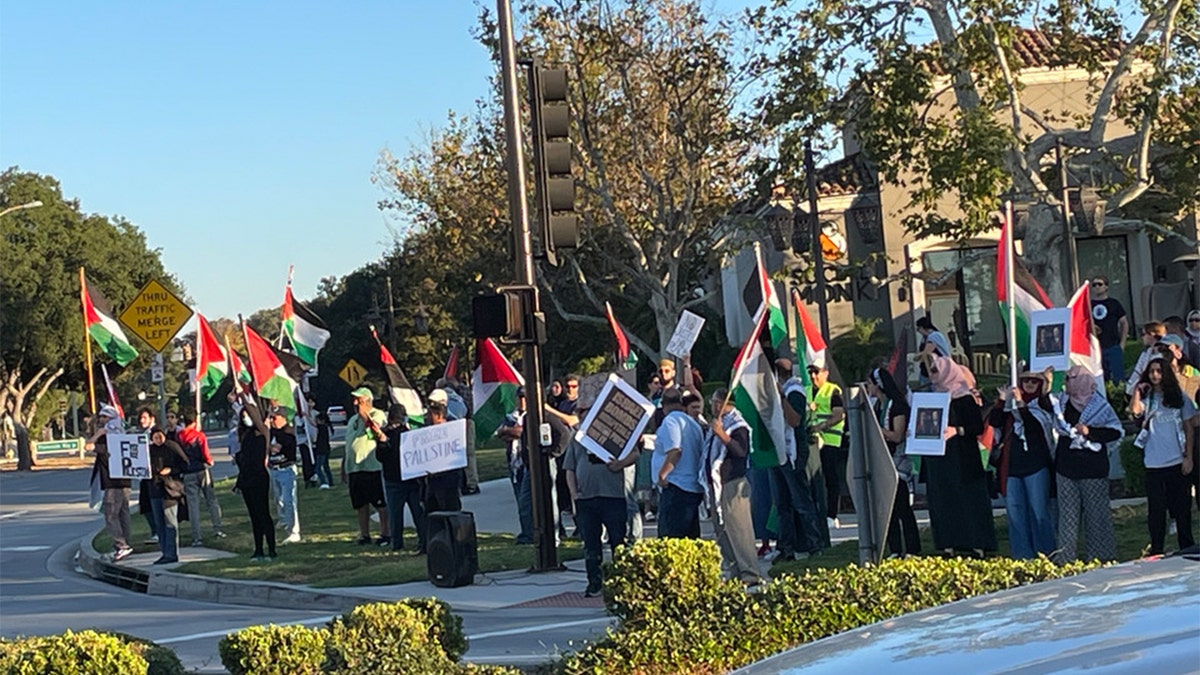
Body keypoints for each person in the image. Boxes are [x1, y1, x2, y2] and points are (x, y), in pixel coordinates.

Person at [922, 355, 996, 556]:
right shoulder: (931, 398)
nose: (933, 375)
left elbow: (977, 426)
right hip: (940, 460)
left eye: (936, 370)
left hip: (963, 458)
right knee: (944, 500)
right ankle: (948, 544)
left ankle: (976, 544)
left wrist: (957, 430)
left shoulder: (964, 398)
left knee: (968, 500)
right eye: (931, 371)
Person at [1054, 365, 1121, 562]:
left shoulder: (1100, 405)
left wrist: (1089, 431)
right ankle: (1065, 558)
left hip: (1093, 468)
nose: (1067, 382)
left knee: (1097, 515)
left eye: (1071, 378)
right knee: (1067, 516)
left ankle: (1101, 556)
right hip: (1066, 468)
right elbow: (1049, 411)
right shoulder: (1062, 403)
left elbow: (1115, 431)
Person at [1129, 356, 1196, 554]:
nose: (1155, 375)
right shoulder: (1147, 397)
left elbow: (1189, 428)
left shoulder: (1178, 397)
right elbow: (1134, 411)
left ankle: (1187, 546)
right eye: (1152, 372)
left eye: (1159, 371)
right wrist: (1137, 392)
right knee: (1156, 511)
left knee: (1182, 510)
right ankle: (1156, 549)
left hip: (1176, 461)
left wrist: (1188, 457)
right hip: (1153, 464)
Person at [989, 371, 1056, 560]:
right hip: (1011, 468)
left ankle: (1046, 554)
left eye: (1034, 380)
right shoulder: (1009, 406)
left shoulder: (1043, 404)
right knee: (1016, 514)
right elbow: (995, 422)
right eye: (1025, 380)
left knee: (1038, 512)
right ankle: (1023, 557)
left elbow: (1033, 426)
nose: (1029, 384)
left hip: (1035, 466)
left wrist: (1021, 405)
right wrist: (1003, 401)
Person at [564, 430, 639, 597]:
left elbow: (635, 453)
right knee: (591, 544)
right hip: (586, 498)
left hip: (613, 496)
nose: (581, 414)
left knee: (618, 542)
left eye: (585, 410)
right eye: (580, 411)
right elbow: (570, 468)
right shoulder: (578, 438)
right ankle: (594, 582)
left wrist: (621, 463)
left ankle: (621, 582)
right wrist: (574, 495)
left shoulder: (614, 433)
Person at [704, 388, 764, 584]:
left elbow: (741, 451)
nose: (711, 405)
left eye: (714, 401)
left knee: (739, 530)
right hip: (717, 485)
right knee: (723, 532)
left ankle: (750, 572)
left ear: (722, 403)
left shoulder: (738, 426)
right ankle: (735, 570)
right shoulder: (717, 423)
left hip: (733, 485)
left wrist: (723, 435)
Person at [770, 358, 827, 561]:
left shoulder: (794, 391)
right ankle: (786, 548)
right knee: (782, 503)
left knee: (801, 500)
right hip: (776, 451)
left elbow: (794, 420)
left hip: (793, 450)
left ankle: (814, 544)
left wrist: (781, 397)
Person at [866, 368, 920, 558]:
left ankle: (913, 549)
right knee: (888, 511)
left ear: (879, 385)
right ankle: (895, 549)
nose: (868, 387)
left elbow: (897, 435)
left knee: (903, 508)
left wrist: (879, 430)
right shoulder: (877, 407)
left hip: (898, 463)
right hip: (883, 462)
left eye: (870, 383)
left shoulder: (897, 406)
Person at [652, 387, 706, 538]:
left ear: (663, 405)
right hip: (692, 486)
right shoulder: (693, 424)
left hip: (676, 486)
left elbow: (675, 451)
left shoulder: (671, 422)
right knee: (690, 538)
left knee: (670, 537)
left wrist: (662, 475)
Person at [343, 388, 391, 546]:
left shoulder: (377, 414)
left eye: (359, 399)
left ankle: (385, 533)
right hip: (355, 467)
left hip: (372, 466)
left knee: (380, 504)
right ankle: (365, 534)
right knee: (360, 504)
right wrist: (345, 464)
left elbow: (375, 430)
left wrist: (364, 411)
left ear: (367, 399)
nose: (355, 403)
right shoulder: (352, 420)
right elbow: (349, 442)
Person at [376, 404, 426, 553]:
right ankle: (422, 541)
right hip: (409, 479)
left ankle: (397, 543)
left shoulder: (386, 435)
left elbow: (380, 457)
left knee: (396, 515)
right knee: (417, 514)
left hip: (396, 479)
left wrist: (383, 442)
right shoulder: (407, 434)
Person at [86, 405, 133, 561]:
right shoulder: (122, 437)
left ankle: (121, 545)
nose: (101, 420)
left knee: (111, 514)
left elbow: (89, 445)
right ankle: (126, 543)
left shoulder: (108, 440)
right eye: (101, 417)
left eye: (105, 417)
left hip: (114, 483)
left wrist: (99, 433)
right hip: (125, 481)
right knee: (123, 513)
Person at [233, 402, 276, 561]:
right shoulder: (245, 436)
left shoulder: (262, 432)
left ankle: (271, 549)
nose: (246, 417)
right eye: (243, 415)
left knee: (263, 513)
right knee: (254, 516)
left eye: (248, 415)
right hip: (246, 479)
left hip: (258, 477)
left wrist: (242, 394)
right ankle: (258, 549)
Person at [807, 363, 846, 530]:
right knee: (813, 479)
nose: (813, 376)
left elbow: (839, 415)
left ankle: (832, 515)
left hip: (830, 440)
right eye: (810, 373)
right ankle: (817, 512)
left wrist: (821, 427)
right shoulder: (807, 390)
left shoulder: (833, 391)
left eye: (816, 372)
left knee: (831, 478)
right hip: (812, 441)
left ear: (825, 373)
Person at [178, 414, 225, 547]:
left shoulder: (179, 436)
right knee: (211, 500)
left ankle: (197, 537)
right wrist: (210, 462)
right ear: (194, 421)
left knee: (193, 505)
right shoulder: (199, 436)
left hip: (187, 472)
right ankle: (217, 528)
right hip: (202, 470)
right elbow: (205, 453)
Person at [148, 427, 188, 565]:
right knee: (159, 524)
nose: (158, 440)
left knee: (170, 522)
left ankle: (172, 553)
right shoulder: (149, 450)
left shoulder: (172, 447)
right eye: (155, 437)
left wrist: (171, 470)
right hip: (154, 489)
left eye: (160, 437)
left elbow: (185, 464)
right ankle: (165, 552)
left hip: (170, 490)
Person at [422, 399, 463, 513]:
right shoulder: (426, 433)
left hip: (449, 480)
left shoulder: (452, 431)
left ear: (439, 416)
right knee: (432, 512)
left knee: (450, 511)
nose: (427, 418)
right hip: (432, 480)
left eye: (430, 415)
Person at [268, 409, 301, 544]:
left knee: (288, 500)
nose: (272, 421)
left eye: (274, 418)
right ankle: (284, 520)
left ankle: (294, 531)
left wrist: (269, 446)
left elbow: (276, 448)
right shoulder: (271, 433)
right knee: (278, 500)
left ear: (284, 418)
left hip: (286, 469)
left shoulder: (288, 436)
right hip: (274, 470)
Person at [1089, 275, 1128, 383]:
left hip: (1113, 345)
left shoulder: (1114, 303)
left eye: (1100, 284)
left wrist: (1122, 343)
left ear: (1106, 287)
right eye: (1094, 285)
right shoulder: (1088, 305)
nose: (1097, 287)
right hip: (1095, 348)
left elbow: (1124, 323)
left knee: (1118, 379)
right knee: (1099, 379)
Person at [132, 407, 158, 542]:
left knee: (154, 505)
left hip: (154, 476)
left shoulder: (155, 433)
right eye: (141, 418)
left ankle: (158, 531)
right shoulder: (141, 434)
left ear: (152, 419)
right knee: (145, 506)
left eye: (145, 418)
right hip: (144, 476)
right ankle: (154, 530)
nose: (142, 421)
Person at [1126, 322, 1166, 396]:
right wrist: (1130, 388)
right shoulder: (1145, 354)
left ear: (1152, 334)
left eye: (1144, 334)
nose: (1142, 337)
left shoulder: (1164, 355)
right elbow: (1136, 372)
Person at [312, 410, 334, 489]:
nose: (316, 421)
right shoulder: (326, 427)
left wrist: (306, 415)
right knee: (326, 467)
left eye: (317, 420)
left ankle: (324, 482)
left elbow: (313, 424)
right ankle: (331, 482)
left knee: (318, 468)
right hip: (326, 449)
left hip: (321, 450)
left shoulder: (322, 427)